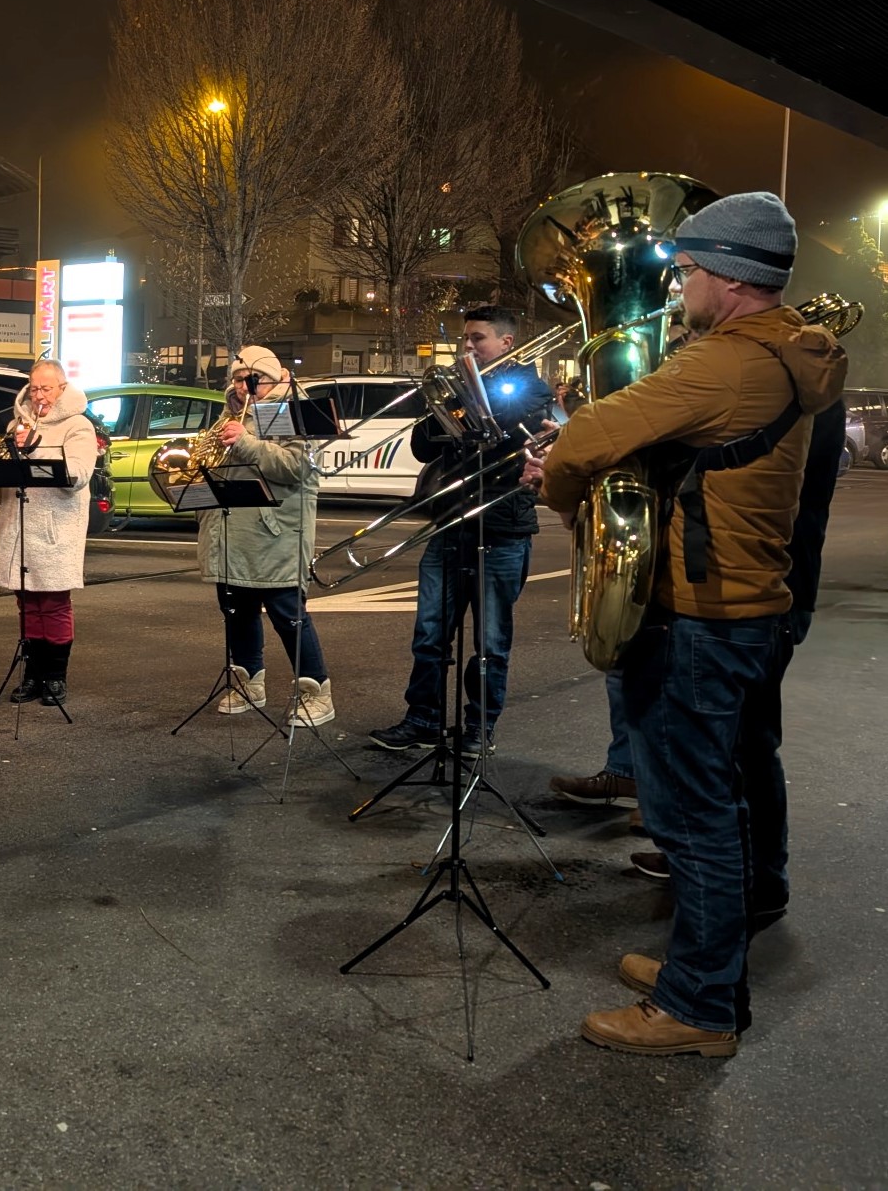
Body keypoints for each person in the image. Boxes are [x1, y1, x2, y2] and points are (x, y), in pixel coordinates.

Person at [536, 191, 845, 1057]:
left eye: (688, 272)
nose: (678, 289)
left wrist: (562, 497)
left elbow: (583, 439)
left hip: (700, 618)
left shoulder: (723, 365)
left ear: (730, 280)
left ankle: (698, 1005)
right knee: (738, 783)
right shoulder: (794, 351)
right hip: (750, 609)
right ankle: (711, 957)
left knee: (690, 814)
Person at [369, 306, 553, 760]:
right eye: (464, 339)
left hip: (503, 527)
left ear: (506, 344)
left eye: (478, 339)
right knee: (429, 632)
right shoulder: (451, 387)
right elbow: (420, 443)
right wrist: (443, 403)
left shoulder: (531, 388)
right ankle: (423, 719)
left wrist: (464, 401)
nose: (467, 347)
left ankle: (479, 727)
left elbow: (499, 428)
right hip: (450, 523)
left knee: (490, 642)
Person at [196, 346, 334, 724]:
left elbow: (294, 467)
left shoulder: (294, 412)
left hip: (278, 535)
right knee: (237, 613)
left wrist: (244, 441)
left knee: (289, 616)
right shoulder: (227, 416)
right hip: (231, 533)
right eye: (239, 379)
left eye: (254, 379)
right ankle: (248, 681)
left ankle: (316, 691)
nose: (244, 387)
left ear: (278, 379)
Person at [0, 360, 99, 706]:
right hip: (19, 525)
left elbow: (78, 475)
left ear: (62, 390)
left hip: (56, 530)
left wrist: (34, 447)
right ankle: (32, 676)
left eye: (46, 389)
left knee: (53, 603)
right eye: (34, 388)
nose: (39, 396)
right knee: (26, 603)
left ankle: (55, 677)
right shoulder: (16, 424)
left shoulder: (78, 426)